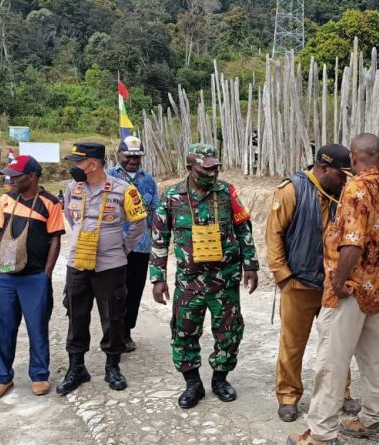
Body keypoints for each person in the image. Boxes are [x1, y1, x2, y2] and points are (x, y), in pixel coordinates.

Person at [288, 133, 379, 445]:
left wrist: (338, 282)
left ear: (354, 158)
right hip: (376, 288)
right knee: (372, 357)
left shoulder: (355, 189)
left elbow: (352, 244)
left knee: (331, 362)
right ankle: (374, 420)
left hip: (349, 291)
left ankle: (321, 434)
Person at [151, 143, 259, 410]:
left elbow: (243, 230)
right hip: (189, 281)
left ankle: (220, 379)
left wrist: (251, 265)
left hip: (225, 279)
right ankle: (193, 383)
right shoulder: (172, 196)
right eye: (204, 170)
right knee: (184, 332)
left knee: (229, 333)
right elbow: (160, 238)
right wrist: (158, 277)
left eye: (215, 169)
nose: (211, 174)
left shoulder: (227, 193)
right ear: (190, 167)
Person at [266, 144, 360, 422]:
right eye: (341, 175)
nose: (344, 181)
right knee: (293, 344)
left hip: (335, 284)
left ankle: (341, 393)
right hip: (299, 283)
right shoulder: (291, 190)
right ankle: (288, 396)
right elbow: (274, 234)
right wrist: (283, 276)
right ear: (323, 168)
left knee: (337, 344)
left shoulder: (344, 192)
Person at [57, 142, 147, 395]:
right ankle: (77, 367)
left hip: (110, 264)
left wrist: (122, 247)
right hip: (78, 262)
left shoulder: (123, 190)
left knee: (113, 315)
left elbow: (139, 223)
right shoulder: (72, 188)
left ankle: (112, 367)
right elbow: (71, 218)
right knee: (76, 313)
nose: (74, 166)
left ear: (93, 164)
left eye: (78, 162)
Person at [0, 155, 64, 401]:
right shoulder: (7, 200)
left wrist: (46, 275)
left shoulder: (50, 203)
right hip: (3, 277)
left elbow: (55, 240)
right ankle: (2, 377)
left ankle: (39, 375)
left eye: (15, 176)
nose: (10, 180)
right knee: (1, 329)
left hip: (34, 278)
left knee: (37, 328)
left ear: (31, 177)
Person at [107, 136, 158, 352]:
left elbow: (155, 212)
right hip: (113, 246)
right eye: (128, 156)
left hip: (140, 246)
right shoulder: (108, 177)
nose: (132, 161)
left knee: (134, 291)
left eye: (136, 157)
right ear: (119, 154)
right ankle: (112, 333)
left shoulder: (149, 181)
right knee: (113, 291)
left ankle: (126, 332)